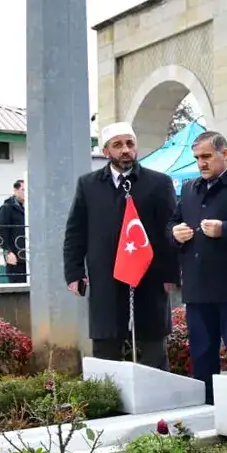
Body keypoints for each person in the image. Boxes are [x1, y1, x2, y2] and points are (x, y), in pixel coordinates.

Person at [64, 122, 179, 369]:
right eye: (117, 145)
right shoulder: (88, 184)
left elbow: (168, 231)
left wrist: (170, 274)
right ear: (106, 151)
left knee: (152, 348)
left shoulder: (159, 183)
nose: (125, 150)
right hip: (105, 278)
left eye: (130, 144)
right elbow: (76, 231)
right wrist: (74, 272)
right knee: (107, 351)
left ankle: (155, 392)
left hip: (149, 278)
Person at [170, 131, 227, 402]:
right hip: (197, 288)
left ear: (225, 153)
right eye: (197, 158)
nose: (201, 163)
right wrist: (175, 232)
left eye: (206, 156)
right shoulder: (189, 188)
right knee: (202, 355)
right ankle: (206, 406)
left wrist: (225, 230)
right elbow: (172, 221)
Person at [0, 180, 27, 284]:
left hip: (29, 255)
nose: (25, 193)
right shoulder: (7, 208)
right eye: (23, 190)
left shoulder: (30, 208)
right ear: (15, 190)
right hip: (15, 256)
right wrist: (8, 251)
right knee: (18, 285)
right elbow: (2, 231)